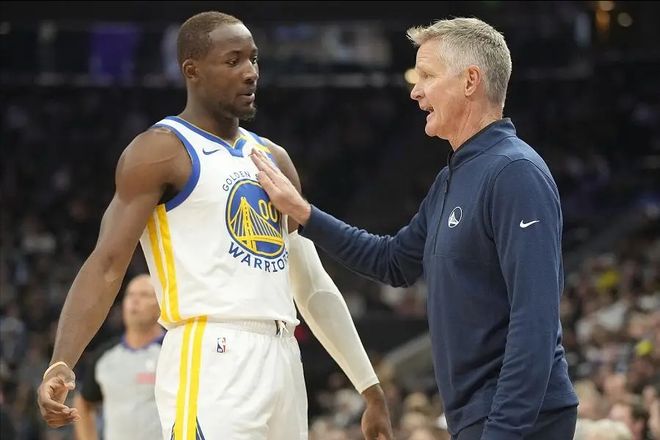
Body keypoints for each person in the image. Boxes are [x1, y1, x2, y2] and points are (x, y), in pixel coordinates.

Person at [36, 11, 393, 440]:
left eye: (254, 59)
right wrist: (62, 360)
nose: (250, 72)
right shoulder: (160, 151)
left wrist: (368, 386)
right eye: (233, 60)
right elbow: (107, 263)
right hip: (210, 353)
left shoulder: (274, 159)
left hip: (283, 354)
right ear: (192, 70)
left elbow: (311, 283)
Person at [250, 17, 580, 440]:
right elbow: (393, 261)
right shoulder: (453, 177)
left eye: (427, 75)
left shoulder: (515, 172)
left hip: (519, 420)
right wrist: (305, 213)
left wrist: (503, 430)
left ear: (470, 81)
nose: (415, 90)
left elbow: (535, 322)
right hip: (480, 415)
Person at [73, 274, 164, 440]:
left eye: (144, 295)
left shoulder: (172, 351)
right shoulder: (105, 355)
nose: (135, 300)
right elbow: (83, 402)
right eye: (130, 295)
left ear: (161, 304)